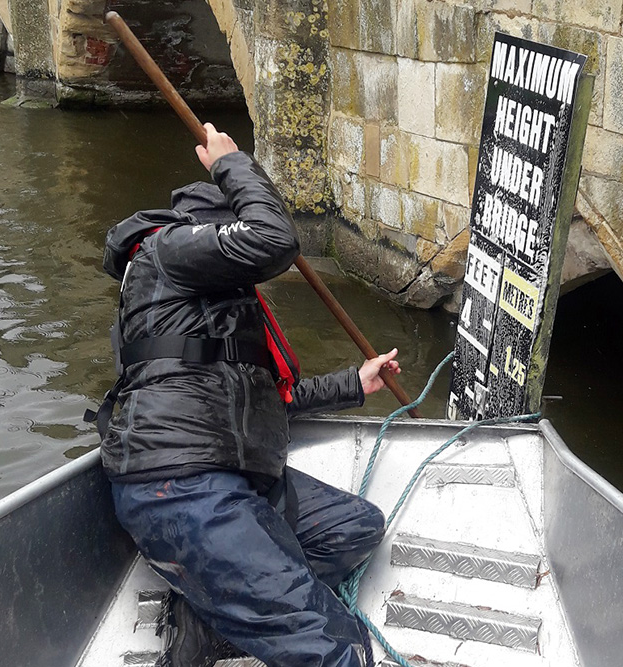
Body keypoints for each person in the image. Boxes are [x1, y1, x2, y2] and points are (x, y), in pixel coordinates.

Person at [92, 123, 397, 667]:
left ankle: (215, 620)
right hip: (180, 486)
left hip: (232, 473)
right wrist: (230, 164)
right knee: (341, 647)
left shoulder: (219, 306)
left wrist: (354, 382)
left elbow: (263, 399)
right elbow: (275, 239)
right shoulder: (168, 254)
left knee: (356, 528)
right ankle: (257, 605)